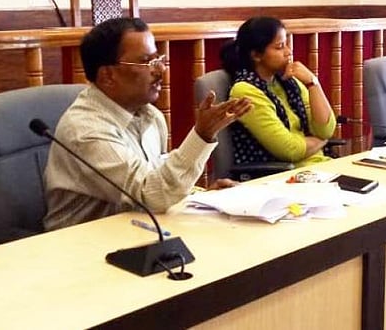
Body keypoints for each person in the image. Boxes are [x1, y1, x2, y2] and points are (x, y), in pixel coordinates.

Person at [43, 17, 251, 231]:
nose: (161, 70)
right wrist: (202, 135)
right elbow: (150, 194)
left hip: (135, 232)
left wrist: (200, 196)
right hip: (80, 245)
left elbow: (153, 177)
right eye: (146, 62)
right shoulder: (86, 129)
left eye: (158, 59)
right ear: (107, 76)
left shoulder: (151, 116)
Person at [221, 16, 337, 167]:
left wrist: (313, 83)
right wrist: (321, 140)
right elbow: (289, 150)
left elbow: (326, 129)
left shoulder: (287, 80)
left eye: (287, 45)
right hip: (284, 176)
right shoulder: (245, 90)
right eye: (280, 46)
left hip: (320, 166)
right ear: (256, 55)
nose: (288, 52)